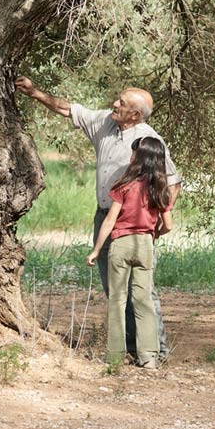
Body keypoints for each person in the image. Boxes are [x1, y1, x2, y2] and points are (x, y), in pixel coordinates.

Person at [14, 76, 181, 359]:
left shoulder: (149, 140)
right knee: (113, 287)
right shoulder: (105, 122)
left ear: (135, 114)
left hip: (135, 226)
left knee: (142, 291)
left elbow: (173, 182)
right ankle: (130, 348)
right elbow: (69, 110)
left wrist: (154, 217)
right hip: (105, 216)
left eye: (122, 103)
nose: (114, 104)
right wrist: (34, 93)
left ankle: (157, 350)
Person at [86, 137, 174, 368]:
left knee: (117, 299)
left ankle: (115, 356)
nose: (130, 157)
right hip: (145, 245)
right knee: (143, 300)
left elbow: (109, 221)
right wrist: (152, 234)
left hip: (121, 244)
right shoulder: (160, 189)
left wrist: (96, 250)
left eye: (133, 153)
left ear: (139, 157)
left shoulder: (123, 186)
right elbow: (168, 225)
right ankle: (149, 357)